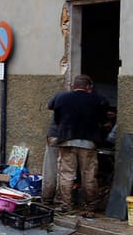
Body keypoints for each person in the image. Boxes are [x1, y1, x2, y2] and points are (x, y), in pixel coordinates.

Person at [46, 74, 110, 214]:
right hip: (88, 142)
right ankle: (91, 207)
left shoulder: (62, 97)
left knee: (66, 175)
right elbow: (104, 118)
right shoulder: (97, 98)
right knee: (89, 175)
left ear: (73, 86)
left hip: (66, 140)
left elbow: (54, 115)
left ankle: (66, 206)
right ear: (88, 87)